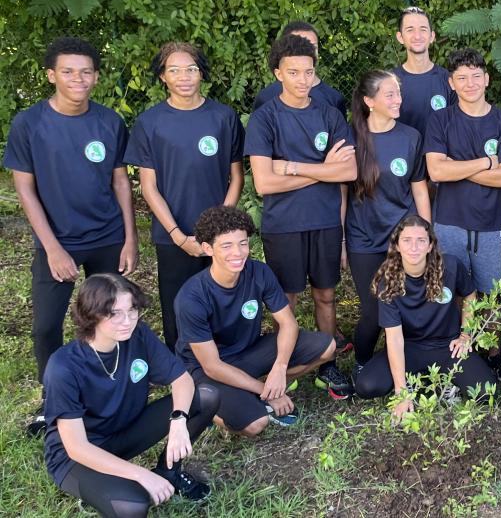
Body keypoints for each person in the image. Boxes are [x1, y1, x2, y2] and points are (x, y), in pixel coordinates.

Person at [5, 37, 139, 436]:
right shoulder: (29, 123)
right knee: (46, 326)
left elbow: (120, 183)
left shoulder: (109, 121)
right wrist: (52, 247)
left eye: (85, 72)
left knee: (117, 316)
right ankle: (54, 403)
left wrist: (130, 238)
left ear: (95, 77)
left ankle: (118, 388)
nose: (77, 79)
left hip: (108, 235)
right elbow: (24, 189)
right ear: (51, 75)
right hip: (58, 241)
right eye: (68, 71)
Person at [43, 274, 217, 517]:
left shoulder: (138, 335)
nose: (127, 321)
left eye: (132, 310)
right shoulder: (63, 366)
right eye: (114, 314)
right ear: (90, 314)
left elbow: (182, 380)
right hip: (79, 457)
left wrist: (178, 421)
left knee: (207, 396)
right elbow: (76, 447)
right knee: (133, 506)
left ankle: (169, 471)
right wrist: (140, 474)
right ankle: (103, 486)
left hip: (124, 431)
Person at [245, 33, 355, 397]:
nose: (303, 80)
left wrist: (290, 167)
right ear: (278, 73)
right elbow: (263, 183)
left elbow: (348, 173)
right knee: (286, 300)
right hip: (284, 226)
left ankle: (329, 365)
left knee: (326, 295)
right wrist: (321, 168)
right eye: (294, 72)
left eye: (308, 72)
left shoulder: (329, 114)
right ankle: (286, 367)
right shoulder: (265, 118)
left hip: (323, 222)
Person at [175, 206, 338, 436]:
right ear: (207, 248)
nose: (238, 253)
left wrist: (280, 369)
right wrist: (268, 391)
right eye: (227, 246)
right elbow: (212, 365)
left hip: (248, 352)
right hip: (207, 369)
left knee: (328, 347)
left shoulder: (259, 272)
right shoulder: (191, 297)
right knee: (256, 424)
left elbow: (288, 324)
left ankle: (248, 390)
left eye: (243, 243)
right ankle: (202, 401)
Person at [125, 42, 245, 351]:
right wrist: (179, 236)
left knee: (222, 297)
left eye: (191, 69)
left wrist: (219, 229)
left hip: (219, 236)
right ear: (162, 76)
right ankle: (181, 367)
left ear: (202, 73)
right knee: (177, 303)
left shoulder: (223, 117)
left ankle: (227, 359)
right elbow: (148, 187)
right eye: (174, 70)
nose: (184, 76)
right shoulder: (150, 123)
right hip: (172, 234)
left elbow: (236, 176)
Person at [353, 216, 495, 415]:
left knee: (486, 393)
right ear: (397, 245)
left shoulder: (450, 266)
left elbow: (470, 295)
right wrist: (401, 391)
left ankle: (433, 383)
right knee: (367, 386)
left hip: (447, 347)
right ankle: (417, 385)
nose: (414, 248)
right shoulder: (388, 281)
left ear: (430, 246)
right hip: (409, 349)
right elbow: (394, 338)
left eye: (421, 241)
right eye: (407, 240)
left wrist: (466, 334)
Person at [345, 70, 432, 374]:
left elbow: (419, 189)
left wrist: (426, 236)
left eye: (399, 93)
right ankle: (362, 364)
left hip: (403, 238)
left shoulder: (410, 136)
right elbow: (341, 194)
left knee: (409, 305)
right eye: (390, 94)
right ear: (370, 101)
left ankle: (410, 366)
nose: (398, 100)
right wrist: (343, 241)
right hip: (363, 238)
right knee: (372, 311)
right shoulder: (351, 137)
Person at [423, 48, 501, 293]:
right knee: (448, 294)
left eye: (476, 76)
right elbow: (436, 172)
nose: (470, 84)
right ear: (451, 83)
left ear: (486, 79)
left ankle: (483, 335)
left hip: (492, 225)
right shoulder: (440, 120)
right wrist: (486, 162)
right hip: (449, 224)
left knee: (493, 297)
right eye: (462, 78)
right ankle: (457, 335)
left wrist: (454, 166)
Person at [252, 21, 347, 115]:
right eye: (297, 47)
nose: (305, 52)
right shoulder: (266, 97)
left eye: (312, 47)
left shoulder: (334, 99)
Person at [392, 6, 456, 135]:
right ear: (400, 37)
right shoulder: (389, 82)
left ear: (432, 36)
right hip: (403, 155)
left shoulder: (448, 80)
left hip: (442, 155)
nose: (417, 36)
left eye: (423, 29)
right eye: (410, 30)